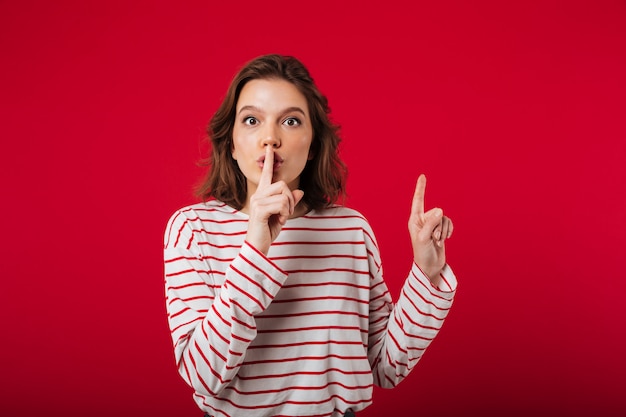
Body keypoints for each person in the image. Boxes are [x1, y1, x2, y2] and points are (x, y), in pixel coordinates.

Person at [164, 54, 457, 417]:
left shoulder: (350, 230)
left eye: (290, 121)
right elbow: (202, 374)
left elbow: (384, 364)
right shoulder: (193, 229)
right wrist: (255, 248)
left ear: (314, 143)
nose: (270, 138)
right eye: (252, 120)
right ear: (232, 144)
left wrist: (427, 274)